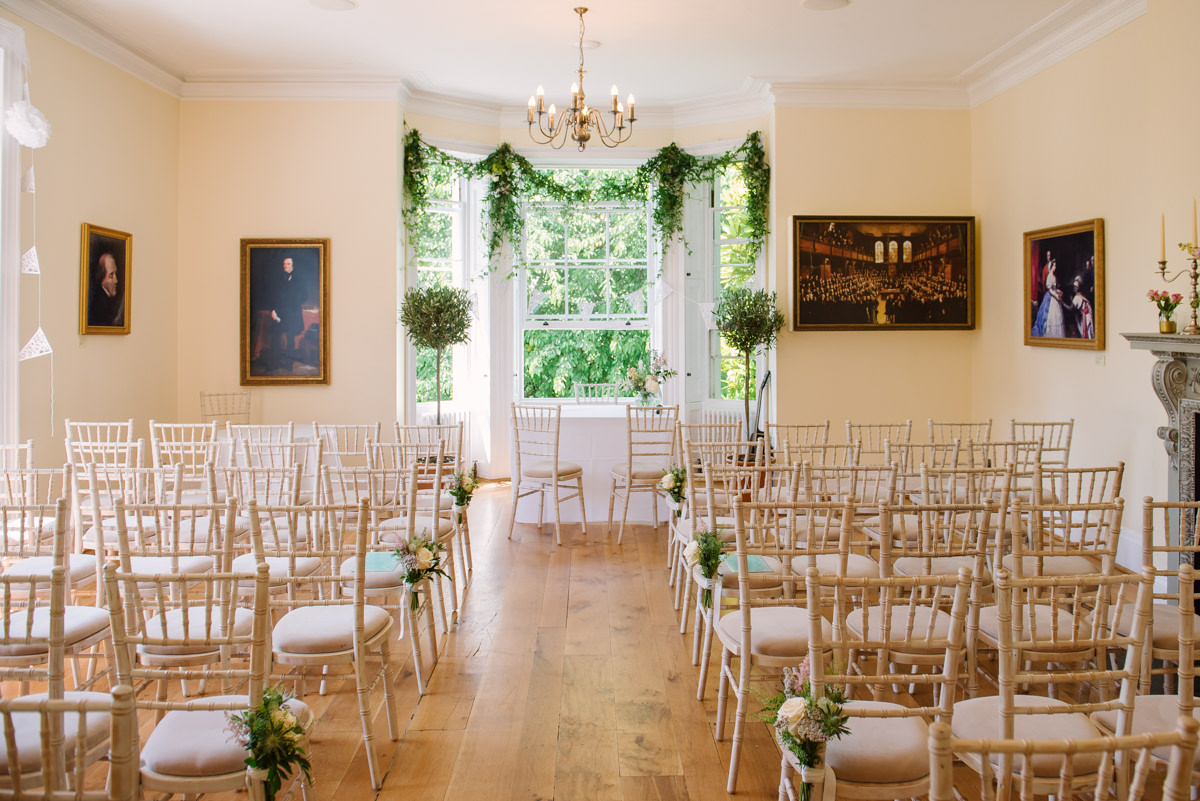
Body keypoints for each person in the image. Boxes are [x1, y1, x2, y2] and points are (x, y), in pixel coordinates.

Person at [263, 256, 307, 369]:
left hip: (292, 313)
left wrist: (294, 303)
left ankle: (289, 365)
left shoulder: (300, 279)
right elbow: (271, 296)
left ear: (293, 265)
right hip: (279, 313)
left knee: (290, 338)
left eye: (288, 264)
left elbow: (304, 296)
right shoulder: (277, 279)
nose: (285, 266)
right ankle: (273, 364)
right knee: (275, 338)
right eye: (284, 264)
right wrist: (272, 310)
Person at [1031, 254, 1066, 337]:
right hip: (1050, 298)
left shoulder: (1054, 276)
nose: (1055, 267)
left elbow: (1054, 288)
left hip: (1055, 297)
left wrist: (1059, 291)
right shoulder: (1050, 276)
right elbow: (1049, 288)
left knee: (1057, 317)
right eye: (1054, 266)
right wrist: (1056, 295)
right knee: (1050, 317)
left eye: (1055, 266)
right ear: (1051, 267)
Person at [87, 251, 124, 327]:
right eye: (111, 276)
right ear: (102, 278)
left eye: (115, 274)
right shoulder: (98, 305)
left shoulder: (111, 301)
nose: (116, 280)